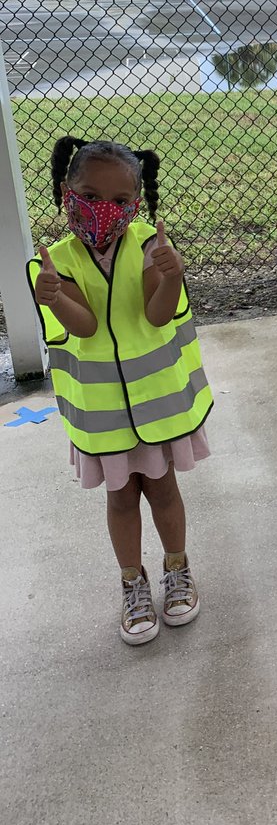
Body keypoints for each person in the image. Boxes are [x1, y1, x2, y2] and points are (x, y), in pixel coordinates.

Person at [27, 137, 213, 646]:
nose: (101, 210)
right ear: (67, 193)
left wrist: (172, 278)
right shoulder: (51, 261)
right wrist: (53, 295)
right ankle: (133, 581)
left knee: (164, 490)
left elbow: (156, 315)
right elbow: (83, 328)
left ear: (135, 204)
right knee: (121, 498)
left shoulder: (153, 245)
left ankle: (177, 569)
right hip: (104, 414)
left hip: (158, 407)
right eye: (89, 193)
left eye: (116, 201)